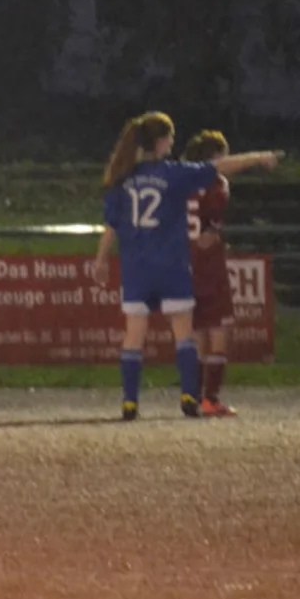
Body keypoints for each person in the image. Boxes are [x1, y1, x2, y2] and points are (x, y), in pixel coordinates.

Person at [87, 112, 279, 421]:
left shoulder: (123, 178)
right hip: (172, 265)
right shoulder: (174, 174)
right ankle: (190, 395)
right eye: (171, 139)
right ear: (162, 143)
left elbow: (112, 226)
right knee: (184, 333)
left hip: (137, 267)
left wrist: (100, 260)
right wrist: (258, 157)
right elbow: (220, 167)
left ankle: (130, 402)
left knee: (134, 335)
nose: (173, 144)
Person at [182, 129, 248, 417]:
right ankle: (211, 398)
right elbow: (209, 233)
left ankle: (191, 396)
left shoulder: (180, 181)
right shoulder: (217, 183)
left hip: (183, 265)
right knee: (218, 330)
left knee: (194, 332)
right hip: (208, 266)